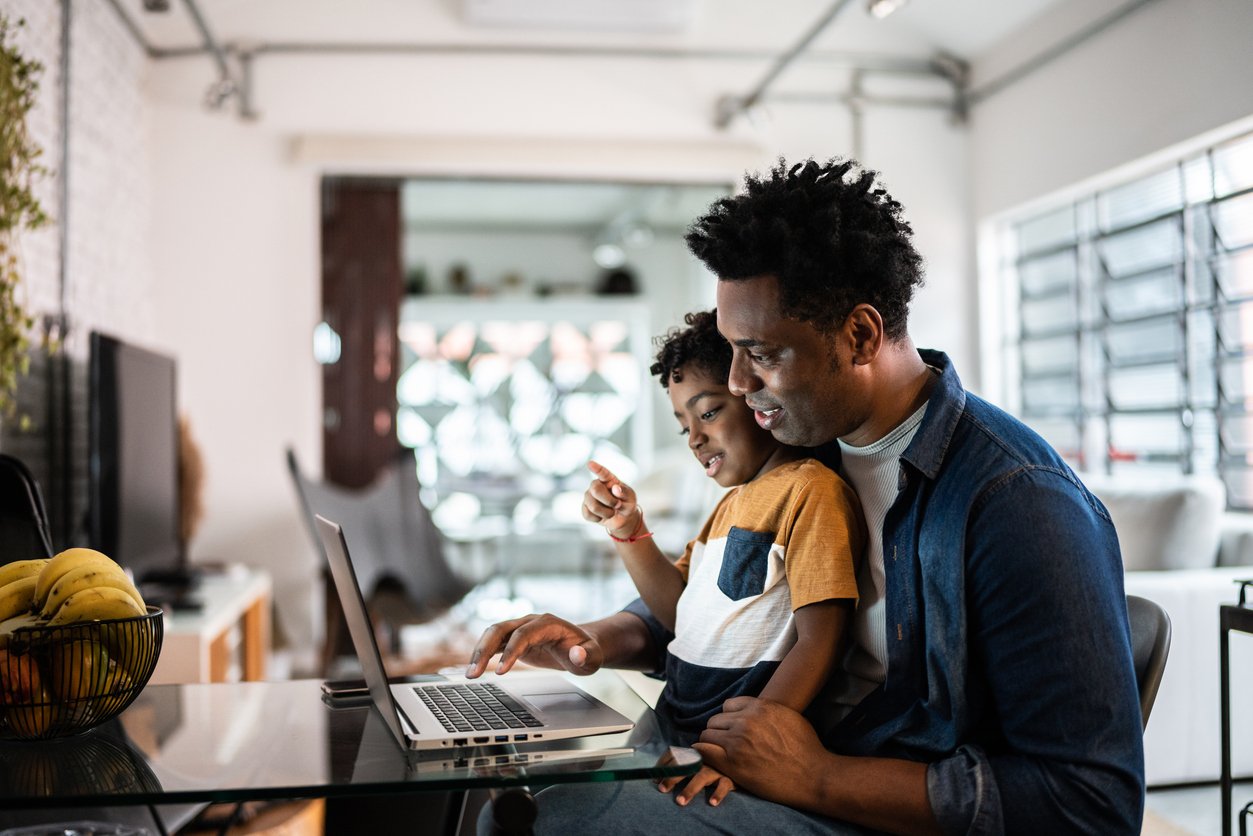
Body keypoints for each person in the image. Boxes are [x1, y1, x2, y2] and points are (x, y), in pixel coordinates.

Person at [466, 158, 1144, 835]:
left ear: (858, 336)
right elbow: (722, 600)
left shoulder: (1017, 505)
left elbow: (1088, 803)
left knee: (559, 824)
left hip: (856, 800)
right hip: (767, 765)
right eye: (732, 350)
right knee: (494, 796)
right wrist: (594, 639)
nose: (734, 384)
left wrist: (817, 776)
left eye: (760, 354)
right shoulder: (800, 447)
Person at [577, 309, 865, 806]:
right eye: (683, 424)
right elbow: (678, 614)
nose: (694, 437)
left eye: (708, 412)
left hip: (724, 750)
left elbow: (822, 639)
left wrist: (743, 748)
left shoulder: (811, 491)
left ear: (757, 398)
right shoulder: (730, 505)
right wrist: (629, 532)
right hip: (671, 725)